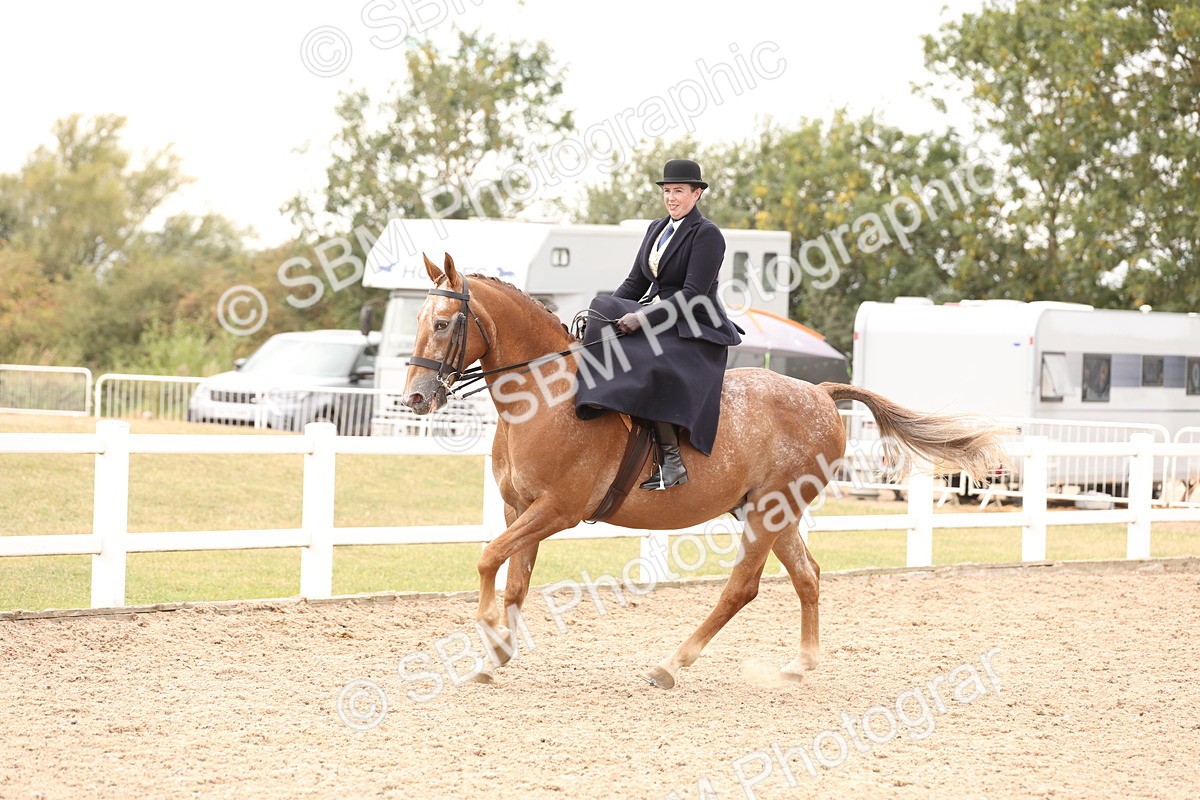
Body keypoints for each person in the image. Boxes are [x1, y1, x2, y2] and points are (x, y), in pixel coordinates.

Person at [574, 159, 743, 490]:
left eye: (679, 191)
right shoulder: (656, 229)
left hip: (694, 326)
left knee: (652, 361)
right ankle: (597, 399)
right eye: (667, 191)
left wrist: (643, 317)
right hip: (659, 317)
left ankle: (672, 461)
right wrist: (599, 316)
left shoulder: (707, 235)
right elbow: (634, 285)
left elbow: (693, 294)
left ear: (696, 194)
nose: (671, 198)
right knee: (602, 305)